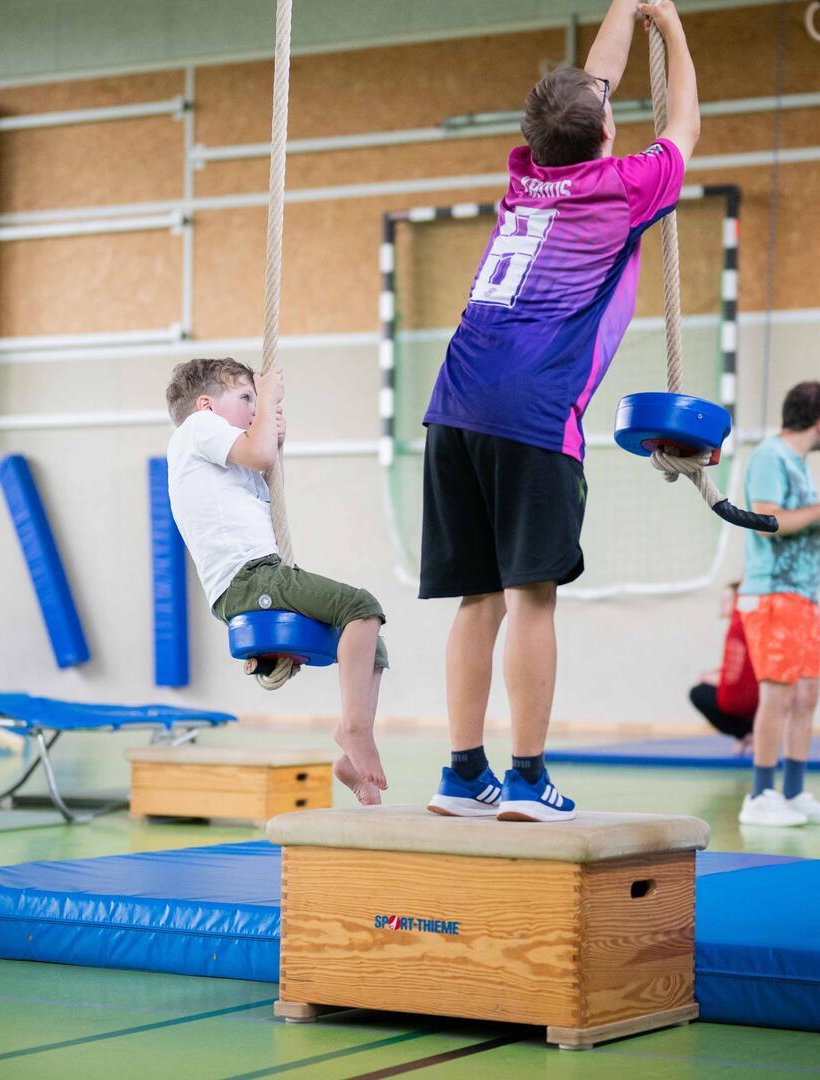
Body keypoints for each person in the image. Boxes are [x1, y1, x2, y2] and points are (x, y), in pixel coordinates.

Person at [418, 0, 699, 823]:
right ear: (607, 132)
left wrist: (623, 5)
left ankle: (462, 774)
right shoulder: (623, 186)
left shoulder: (526, 176)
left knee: (480, 598)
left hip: (455, 399)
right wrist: (670, 26)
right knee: (532, 596)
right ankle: (530, 777)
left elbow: (588, 89)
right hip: (534, 412)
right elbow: (682, 123)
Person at [164, 357, 391, 805]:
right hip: (247, 579)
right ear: (206, 405)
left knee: (373, 649)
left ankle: (350, 748)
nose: (253, 406)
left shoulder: (224, 457)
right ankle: (356, 729)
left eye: (254, 398)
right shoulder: (197, 428)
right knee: (360, 607)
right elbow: (260, 452)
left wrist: (269, 428)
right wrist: (268, 400)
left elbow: (262, 458)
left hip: (263, 572)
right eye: (244, 397)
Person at [735, 381, 820, 828]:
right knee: (778, 693)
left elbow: (801, 525)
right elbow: (769, 523)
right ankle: (759, 795)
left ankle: (792, 791)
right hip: (772, 591)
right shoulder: (770, 457)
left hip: (804, 594)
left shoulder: (800, 465)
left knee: (806, 694)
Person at [689, 582, 754, 753]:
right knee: (703, 688)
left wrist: (713, 678)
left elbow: (743, 673)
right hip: (740, 693)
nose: (722, 603)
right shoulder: (734, 628)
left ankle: (748, 733)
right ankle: (746, 734)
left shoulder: (743, 627)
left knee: (699, 693)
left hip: (749, 694)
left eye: (727, 599)